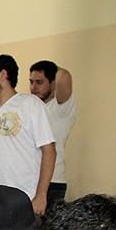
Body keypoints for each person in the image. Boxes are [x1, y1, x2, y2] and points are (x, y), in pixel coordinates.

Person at [0, 54, 56, 215]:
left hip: (20, 201)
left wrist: (41, 195)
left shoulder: (30, 104)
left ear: (3, 75)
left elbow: (49, 150)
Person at [29, 61, 76, 209]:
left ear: (53, 83)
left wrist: (50, 67)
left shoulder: (60, 108)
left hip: (53, 183)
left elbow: (64, 76)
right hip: (31, 181)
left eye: (39, 82)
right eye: (31, 82)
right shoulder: (32, 109)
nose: (33, 87)